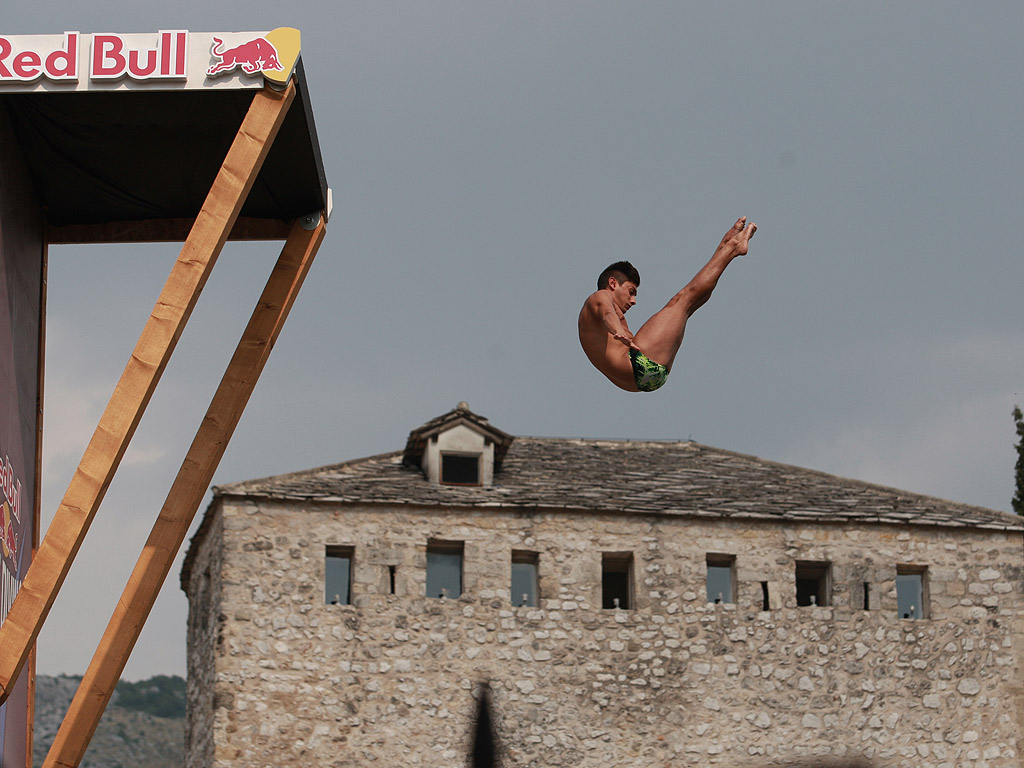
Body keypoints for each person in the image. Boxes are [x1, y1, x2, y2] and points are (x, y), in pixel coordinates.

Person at [578, 216, 756, 392]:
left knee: (689, 306)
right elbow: (606, 311)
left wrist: (620, 332)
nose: (633, 301)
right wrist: (617, 330)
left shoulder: (601, 325)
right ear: (613, 284)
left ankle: (727, 245)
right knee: (683, 300)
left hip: (640, 382)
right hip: (638, 365)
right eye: (631, 292)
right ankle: (731, 248)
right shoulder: (598, 297)